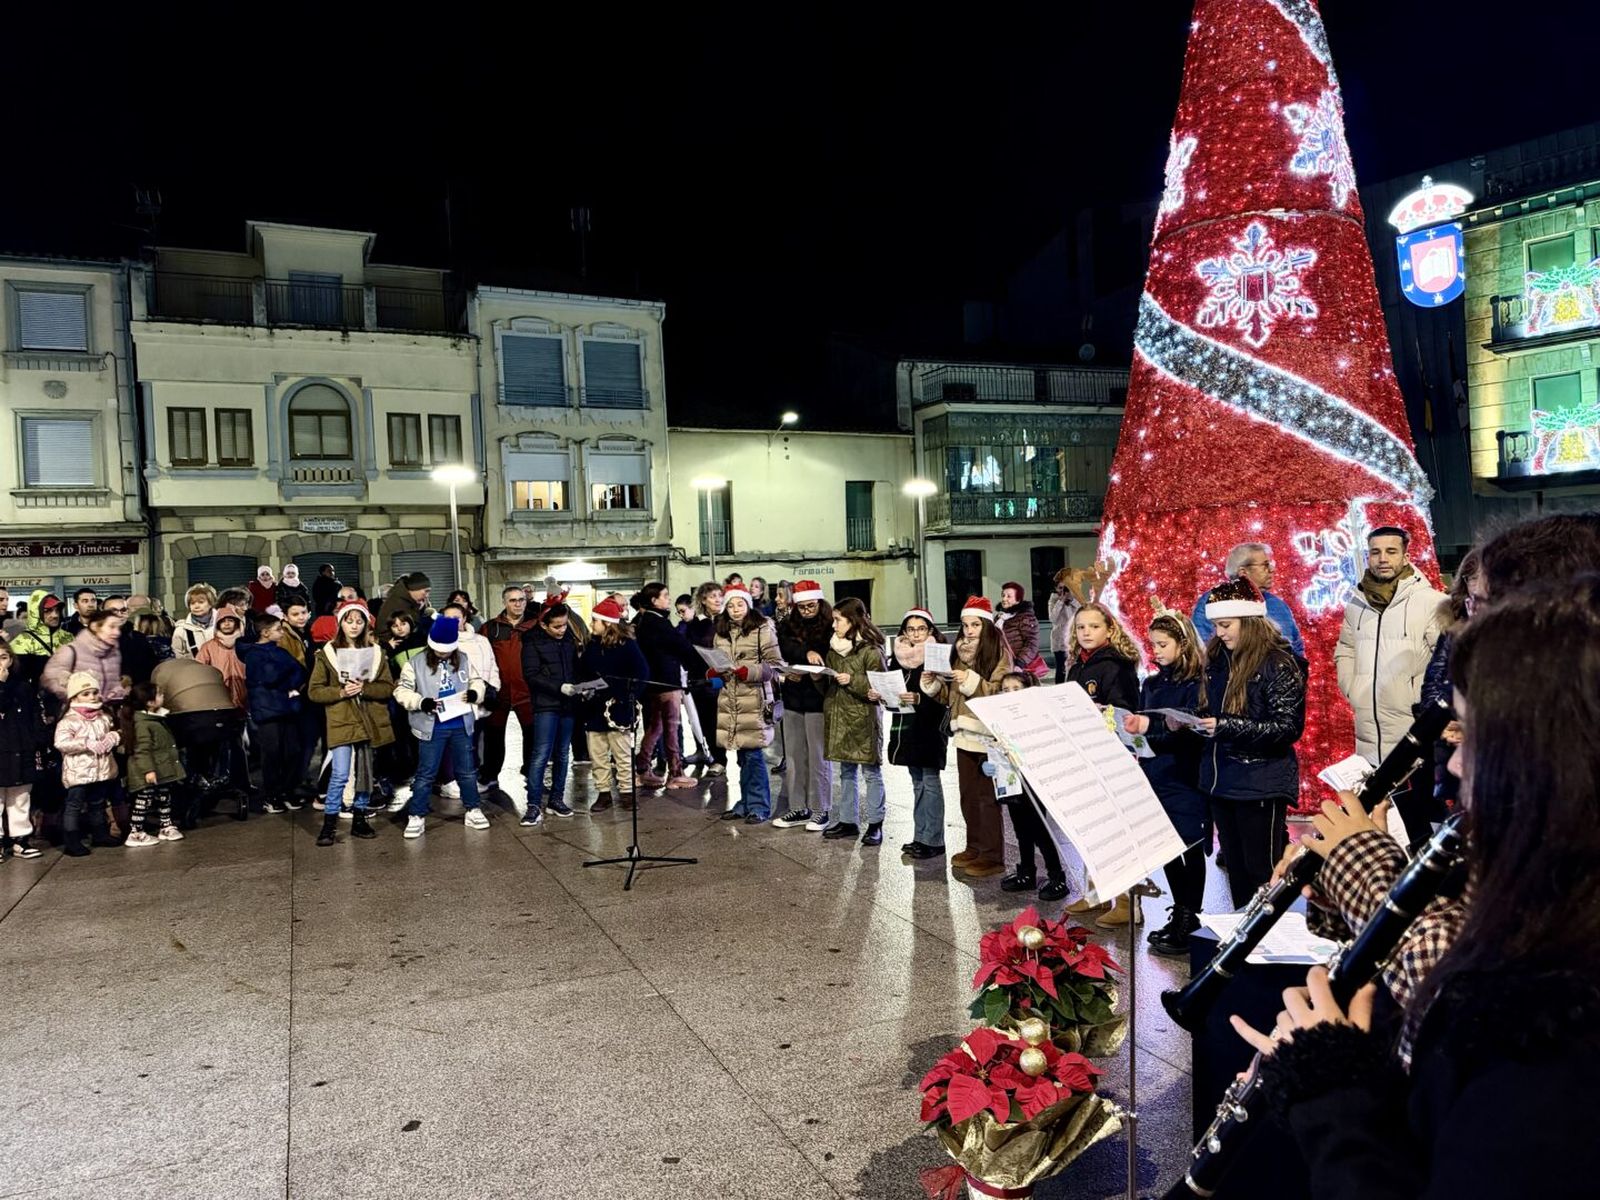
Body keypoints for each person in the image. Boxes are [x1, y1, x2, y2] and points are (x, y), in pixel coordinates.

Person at [1239, 575, 1600, 1197]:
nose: (1455, 763)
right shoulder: (1552, 906)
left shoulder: (1552, 1021)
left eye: (1471, 731)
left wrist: (1336, 1095)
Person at [1197, 576, 1306, 910]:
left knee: (1263, 870)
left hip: (1260, 781)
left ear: (1250, 620)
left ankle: (1269, 945)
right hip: (1222, 780)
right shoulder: (1218, 659)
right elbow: (1211, 708)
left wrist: (1226, 726)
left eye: (1226, 624)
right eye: (1215, 625)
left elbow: (1287, 727)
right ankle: (1242, 939)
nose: (1219, 633)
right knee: (1237, 870)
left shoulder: (1279, 663)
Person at [1334, 526, 1446, 845]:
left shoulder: (1431, 602)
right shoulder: (1357, 603)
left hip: (1413, 732)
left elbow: (1448, 661)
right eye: (1375, 552)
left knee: (1418, 825)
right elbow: (1345, 648)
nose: (1383, 559)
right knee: (1379, 824)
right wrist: (1354, 688)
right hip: (1368, 735)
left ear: (1405, 556)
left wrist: (1416, 699)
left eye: (1391, 551)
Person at [1123, 608, 1211, 952]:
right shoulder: (1152, 683)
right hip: (1156, 772)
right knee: (1167, 848)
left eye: (1163, 644)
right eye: (1153, 644)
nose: (1156, 651)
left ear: (1183, 643)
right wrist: (1132, 731)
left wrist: (1153, 729)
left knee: (1189, 846)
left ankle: (1192, 916)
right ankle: (1180, 911)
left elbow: (1193, 731)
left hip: (1186, 774)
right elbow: (1145, 724)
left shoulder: (1199, 683)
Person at [920, 596, 1014, 878]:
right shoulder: (958, 652)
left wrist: (972, 682)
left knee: (987, 798)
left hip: (986, 734)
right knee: (968, 795)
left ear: (986, 625)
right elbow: (951, 697)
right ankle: (974, 845)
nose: (969, 630)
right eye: (965, 625)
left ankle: (992, 855)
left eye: (975, 624)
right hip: (963, 731)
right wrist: (933, 685)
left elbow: (1002, 690)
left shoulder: (999, 651)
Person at [308, 599, 395, 845]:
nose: (354, 626)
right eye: (349, 621)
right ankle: (329, 824)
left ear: (366, 624)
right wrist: (340, 693)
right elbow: (314, 691)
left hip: (368, 720)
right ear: (341, 624)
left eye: (359, 621)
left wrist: (364, 688)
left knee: (366, 773)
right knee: (340, 773)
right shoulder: (327, 654)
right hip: (342, 719)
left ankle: (360, 817)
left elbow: (387, 687)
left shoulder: (377, 653)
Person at [394, 614, 489, 839]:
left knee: (466, 771)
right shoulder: (415, 662)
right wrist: (420, 702)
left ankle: (473, 809)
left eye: (447, 650)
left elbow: (475, 680)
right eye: (439, 650)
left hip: (461, 722)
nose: (443, 654)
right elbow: (401, 690)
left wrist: (476, 693)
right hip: (431, 725)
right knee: (426, 772)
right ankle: (416, 815)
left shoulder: (463, 658)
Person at [982, 670, 1071, 900]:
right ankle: (1026, 871)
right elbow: (994, 746)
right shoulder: (1000, 721)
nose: (1009, 694)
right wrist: (990, 763)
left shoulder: (1037, 718)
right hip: (1012, 784)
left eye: (1015, 689)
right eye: (1005, 690)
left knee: (1040, 831)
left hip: (1034, 784)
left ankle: (1057, 876)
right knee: (1021, 830)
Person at [809, 597, 886, 843]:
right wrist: (819, 677)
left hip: (863, 717)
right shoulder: (834, 648)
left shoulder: (871, 650)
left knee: (871, 773)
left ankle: (875, 823)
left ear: (852, 621)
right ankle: (847, 821)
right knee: (846, 772)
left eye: (838, 620)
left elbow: (880, 685)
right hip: (838, 716)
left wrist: (852, 679)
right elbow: (829, 688)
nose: (834, 625)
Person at [708, 584, 784, 824]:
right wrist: (714, 672)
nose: (735, 609)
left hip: (754, 699)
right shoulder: (720, 632)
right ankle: (744, 803)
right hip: (730, 700)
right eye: (730, 605)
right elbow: (716, 659)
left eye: (739, 604)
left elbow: (776, 665)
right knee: (741, 756)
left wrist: (748, 670)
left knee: (752, 755)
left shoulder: (762, 628)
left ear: (748, 604)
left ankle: (759, 806)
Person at [772, 580, 835, 831]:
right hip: (794, 695)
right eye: (802, 607)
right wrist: (793, 667)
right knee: (795, 757)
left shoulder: (830, 626)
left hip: (818, 698)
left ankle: (821, 809)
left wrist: (810, 657)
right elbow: (783, 646)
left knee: (818, 757)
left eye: (811, 606)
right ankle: (798, 808)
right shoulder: (788, 624)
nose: (807, 610)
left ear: (819, 603)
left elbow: (827, 653)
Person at [1420, 549, 1479, 808]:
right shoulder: (1455, 627)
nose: (1476, 584)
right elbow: (1434, 681)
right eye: (1470, 577)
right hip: (1454, 742)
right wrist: (1443, 723)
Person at [579, 597, 649, 812]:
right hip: (594, 709)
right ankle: (603, 793)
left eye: (595, 621)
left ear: (607, 623)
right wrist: (584, 689)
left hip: (619, 708)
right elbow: (582, 672)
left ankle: (627, 793)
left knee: (622, 753)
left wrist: (627, 696)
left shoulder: (628, 646)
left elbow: (642, 674)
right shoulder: (591, 646)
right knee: (597, 754)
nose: (592, 625)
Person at [630, 582, 701, 792]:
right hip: (666, 681)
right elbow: (681, 646)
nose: (668, 599)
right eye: (665, 595)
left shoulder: (644, 622)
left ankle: (642, 769)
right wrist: (701, 665)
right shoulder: (658, 622)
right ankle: (676, 773)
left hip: (653, 683)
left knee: (655, 727)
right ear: (654, 600)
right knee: (671, 726)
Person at [520, 601, 582, 826]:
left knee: (563, 753)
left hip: (568, 705)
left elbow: (574, 668)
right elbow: (531, 675)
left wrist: (580, 687)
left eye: (564, 625)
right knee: (541, 754)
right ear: (544, 624)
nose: (562, 630)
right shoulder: (531, 641)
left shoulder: (567, 639)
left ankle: (556, 798)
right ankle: (533, 804)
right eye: (557, 626)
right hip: (545, 705)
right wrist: (558, 687)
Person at [237, 614, 305, 816]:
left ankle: (287, 790)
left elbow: (299, 671)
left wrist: (287, 678)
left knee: (292, 751)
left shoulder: (279, 652)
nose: (282, 633)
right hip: (268, 711)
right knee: (272, 754)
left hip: (285, 708)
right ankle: (272, 794)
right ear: (265, 633)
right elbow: (269, 676)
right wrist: (288, 679)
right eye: (278, 629)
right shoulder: (254, 655)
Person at [1191, 542, 1305, 655]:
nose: (1272, 570)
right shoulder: (1211, 602)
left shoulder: (1279, 605)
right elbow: (1202, 649)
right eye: (1265, 565)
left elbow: (1297, 649)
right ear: (1243, 572)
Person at [54, 672, 120, 856]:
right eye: (86, 693)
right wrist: (85, 743)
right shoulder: (69, 720)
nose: (92, 697)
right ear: (74, 697)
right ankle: (72, 840)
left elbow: (115, 731)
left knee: (98, 802)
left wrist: (112, 737)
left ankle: (100, 833)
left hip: (101, 769)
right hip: (79, 771)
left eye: (94, 692)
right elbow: (61, 743)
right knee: (74, 805)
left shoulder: (102, 717)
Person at [481, 586, 536, 795]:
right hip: (499, 691)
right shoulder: (490, 629)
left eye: (521, 600)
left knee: (532, 736)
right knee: (494, 737)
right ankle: (490, 775)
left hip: (527, 692)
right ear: (504, 602)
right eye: (513, 600)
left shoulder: (535, 626)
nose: (518, 604)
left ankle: (532, 773)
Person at [119, 681, 185, 847]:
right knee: (144, 800)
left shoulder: (155, 719)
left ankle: (166, 825)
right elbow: (142, 749)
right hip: (149, 770)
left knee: (164, 796)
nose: (163, 696)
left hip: (162, 768)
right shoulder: (143, 723)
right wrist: (148, 770)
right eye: (159, 694)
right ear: (150, 702)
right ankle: (136, 832)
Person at [0, 642, 47, 859]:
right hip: (2, 748)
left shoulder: (23, 686)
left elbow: (35, 715)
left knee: (20, 796)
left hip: (22, 747)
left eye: (3, 657)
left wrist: (38, 741)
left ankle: (21, 839)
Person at [378, 610, 427, 812]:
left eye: (403, 623)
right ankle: (403, 771)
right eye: (395, 625)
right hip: (400, 696)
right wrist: (387, 649)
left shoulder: (422, 640)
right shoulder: (389, 646)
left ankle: (422, 773)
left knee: (420, 735)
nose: (400, 628)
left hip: (422, 694)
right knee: (401, 733)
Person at [683, 582, 729, 777]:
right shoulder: (695, 624)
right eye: (712, 596)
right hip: (702, 679)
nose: (717, 599)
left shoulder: (727, 620)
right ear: (703, 600)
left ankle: (722, 758)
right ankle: (717, 758)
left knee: (725, 720)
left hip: (725, 678)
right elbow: (688, 648)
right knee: (708, 721)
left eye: (720, 595)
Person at [42, 609, 125, 707]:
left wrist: (116, 693)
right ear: (95, 627)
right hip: (75, 715)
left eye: (118, 628)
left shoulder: (114, 654)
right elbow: (50, 680)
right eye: (112, 627)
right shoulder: (71, 650)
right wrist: (77, 697)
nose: (117, 632)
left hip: (102, 714)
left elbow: (113, 682)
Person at [1066, 603, 1140, 713]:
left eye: (1095, 627)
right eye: (1081, 627)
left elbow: (1126, 711)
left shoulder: (1118, 666)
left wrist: (1100, 711)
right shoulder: (1076, 667)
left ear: (1109, 631)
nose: (1086, 633)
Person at [673, 594, 712, 766]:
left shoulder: (704, 625)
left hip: (705, 677)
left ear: (693, 607)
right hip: (691, 677)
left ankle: (713, 753)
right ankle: (700, 749)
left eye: (682, 611)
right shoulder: (684, 627)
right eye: (678, 612)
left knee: (707, 717)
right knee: (694, 717)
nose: (681, 615)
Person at [9, 590, 72, 684]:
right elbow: (18, 681)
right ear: (36, 613)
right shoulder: (21, 642)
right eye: (48, 611)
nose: (55, 615)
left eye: (57, 610)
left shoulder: (68, 637)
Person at [995, 581, 1046, 678]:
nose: (1004, 599)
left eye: (1008, 596)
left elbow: (1032, 643)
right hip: (1004, 665)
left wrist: (1020, 663)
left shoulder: (1025, 617)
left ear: (1018, 599)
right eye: (1003, 595)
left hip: (1022, 667)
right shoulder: (1000, 618)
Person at [1047, 571, 1082, 685]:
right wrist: (1061, 602)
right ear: (1056, 589)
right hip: (1060, 640)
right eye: (1060, 588)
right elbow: (1053, 618)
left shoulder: (1074, 599)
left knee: (1076, 667)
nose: (1063, 591)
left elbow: (1082, 611)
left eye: (1065, 588)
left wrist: (1071, 600)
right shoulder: (1053, 600)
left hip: (1074, 638)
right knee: (1061, 669)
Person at [172, 584, 219, 659]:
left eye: (201, 602)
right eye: (192, 603)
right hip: (194, 669)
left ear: (210, 603)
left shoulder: (221, 625)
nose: (196, 606)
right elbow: (177, 656)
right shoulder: (181, 630)